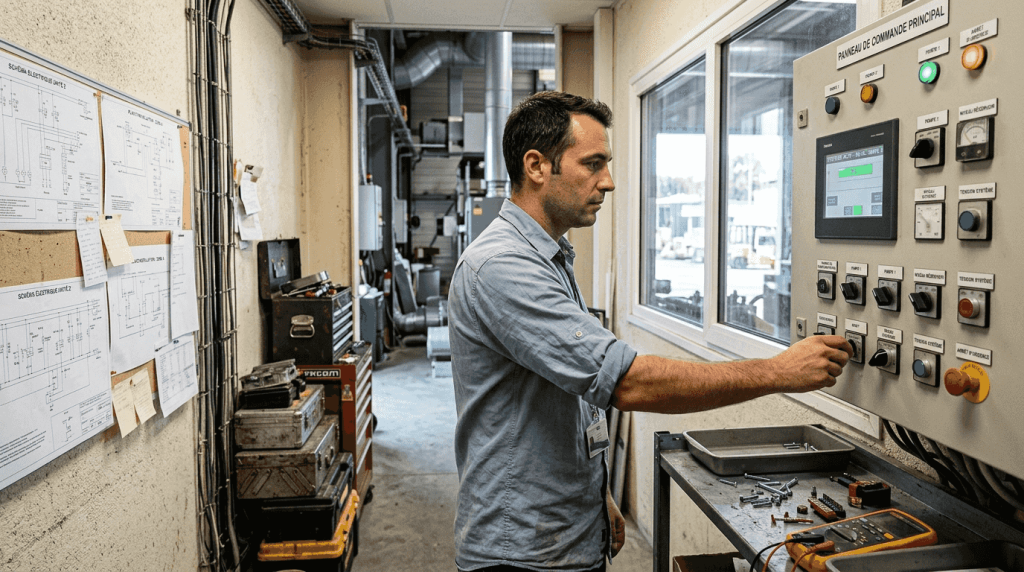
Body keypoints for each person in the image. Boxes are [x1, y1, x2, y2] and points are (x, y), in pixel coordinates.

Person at [447, 91, 852, 572]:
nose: (608, 181)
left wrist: (595, 494)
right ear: (536, 166)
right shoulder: (502, 266)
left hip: (561, 530)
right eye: (593, 164)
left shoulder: (548, 256)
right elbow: (627, 382)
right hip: (521, 554)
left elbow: (563, 392)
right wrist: (779, 371)